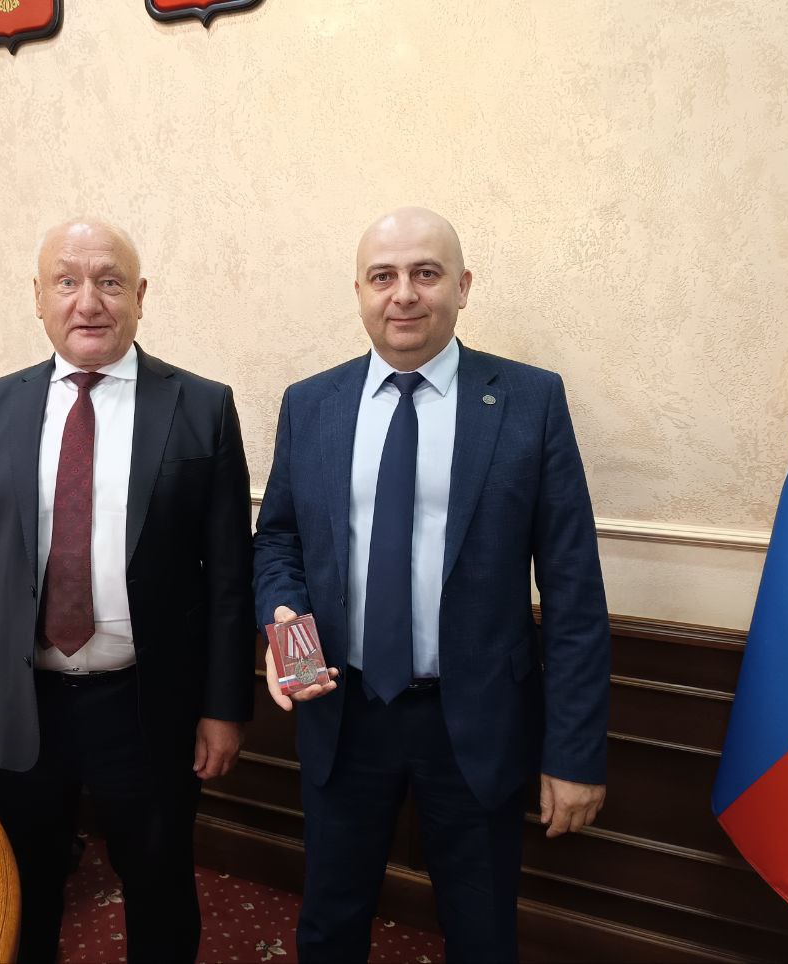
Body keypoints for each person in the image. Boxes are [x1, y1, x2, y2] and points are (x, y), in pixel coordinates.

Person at [252, 207, 610, 963]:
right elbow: (280, 538)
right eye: (383, 276)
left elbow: (574, 590)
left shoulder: (530, 401)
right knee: (328, 924)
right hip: (343, 712)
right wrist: (286, 624)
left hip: (475, 721)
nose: (404, 294)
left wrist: (575, 752)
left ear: (463, 286)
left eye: (426, 273)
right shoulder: (310, 404)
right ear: (359, 291)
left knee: (481, 933)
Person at [0, 219, 254, 963]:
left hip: (146, 702)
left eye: (109, 282)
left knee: (160, 886)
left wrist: (223, 708)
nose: (88, 302)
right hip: (20, 701)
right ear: (38, 297)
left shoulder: (202, 406)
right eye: (67, 281)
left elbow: (229, 577)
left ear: (139, 296)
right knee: (24, 887)